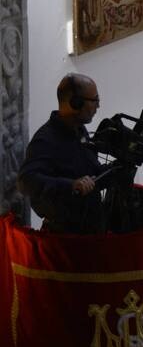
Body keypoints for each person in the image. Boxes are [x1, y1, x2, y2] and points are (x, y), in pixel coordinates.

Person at [18, 74, 106, 233]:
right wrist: (71, 185)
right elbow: (26, 181)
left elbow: (85, 169)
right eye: (94, 100)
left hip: (90, 227)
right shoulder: (45, 140)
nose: (98, 106)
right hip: (65, 237)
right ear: (76, 103)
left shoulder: (79, 129)